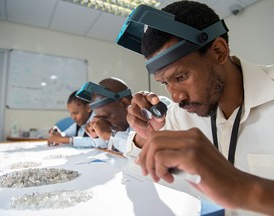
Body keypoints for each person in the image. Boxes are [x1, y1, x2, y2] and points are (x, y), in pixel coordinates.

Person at [116, 1, 274, 215]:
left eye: (181, 77)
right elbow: (134, 174)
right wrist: (145, 136)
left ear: (219, 51)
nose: (176, 96)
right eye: (165, 83)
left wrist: (243, 188)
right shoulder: (179, 114)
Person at [77, 77, 133, 154]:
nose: (104, 124)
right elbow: (110, 146)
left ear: (125, 103)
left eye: (106, 117)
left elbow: (138, 151)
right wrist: (97, 135)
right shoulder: (122, 127)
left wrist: (109, 136)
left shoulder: (146, 121)